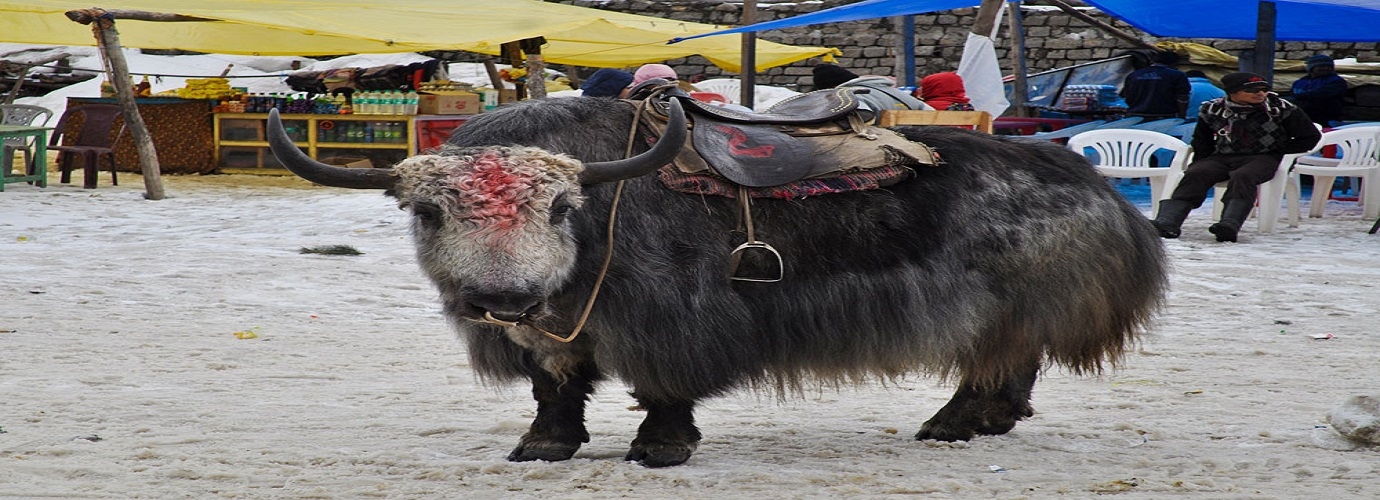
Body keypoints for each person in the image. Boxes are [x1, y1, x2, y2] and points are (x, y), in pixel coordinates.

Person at [1150, 72, 1322, 243]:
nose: (1260, 93)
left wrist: (1279, 151)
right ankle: (1168, 223)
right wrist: (1201, 162)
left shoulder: (1281, 109)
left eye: (1263, 89)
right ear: (1233, 92)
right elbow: (1202, 140)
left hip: (1263, 157)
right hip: (1223, 156)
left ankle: (1229, 225)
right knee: (1197, 173)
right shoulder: (1213, 109)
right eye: (1252, 90)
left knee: (1243, 176)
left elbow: (1310, 137)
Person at [811, 63, 932, 123]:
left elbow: (864, 122)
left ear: (830, 87)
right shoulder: (895, 92)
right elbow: (932, 114)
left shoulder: (848, 98)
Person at [1119, 51, 1191, 119]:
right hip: (1164, 117)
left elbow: (1126, 95)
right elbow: (1182, 98)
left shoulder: (1134, 75)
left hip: (1134, 116)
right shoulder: (1177, 75)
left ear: (1153, 60)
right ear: (1174, 63)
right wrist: (1182, 116)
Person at [1290, 54, 1349, 127]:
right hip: (1302, 119)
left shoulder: (1336, 81)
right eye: (1321, 66)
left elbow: (1321, 94)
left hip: (1326, 120)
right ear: (1311, 68)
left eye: (1328, 66)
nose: (1325, 68)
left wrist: (1298, 97)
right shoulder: (1300, 82)